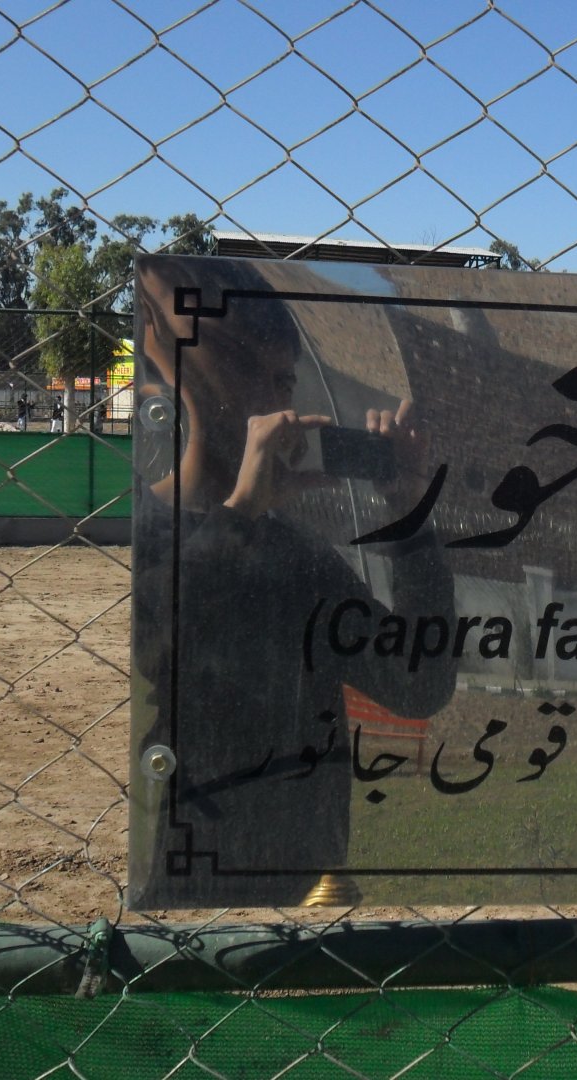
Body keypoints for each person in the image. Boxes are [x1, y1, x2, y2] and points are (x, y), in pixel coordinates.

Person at [129, 257, 457, 909]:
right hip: (192, 877)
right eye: (247, 366)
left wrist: (409, 518)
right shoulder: (146, 528)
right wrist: (241, 512)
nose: (269, 400)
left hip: (310, 883)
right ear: (176, 364)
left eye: (282, 380)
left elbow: (418, 682)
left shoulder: (297, 557)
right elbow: (159, 647)